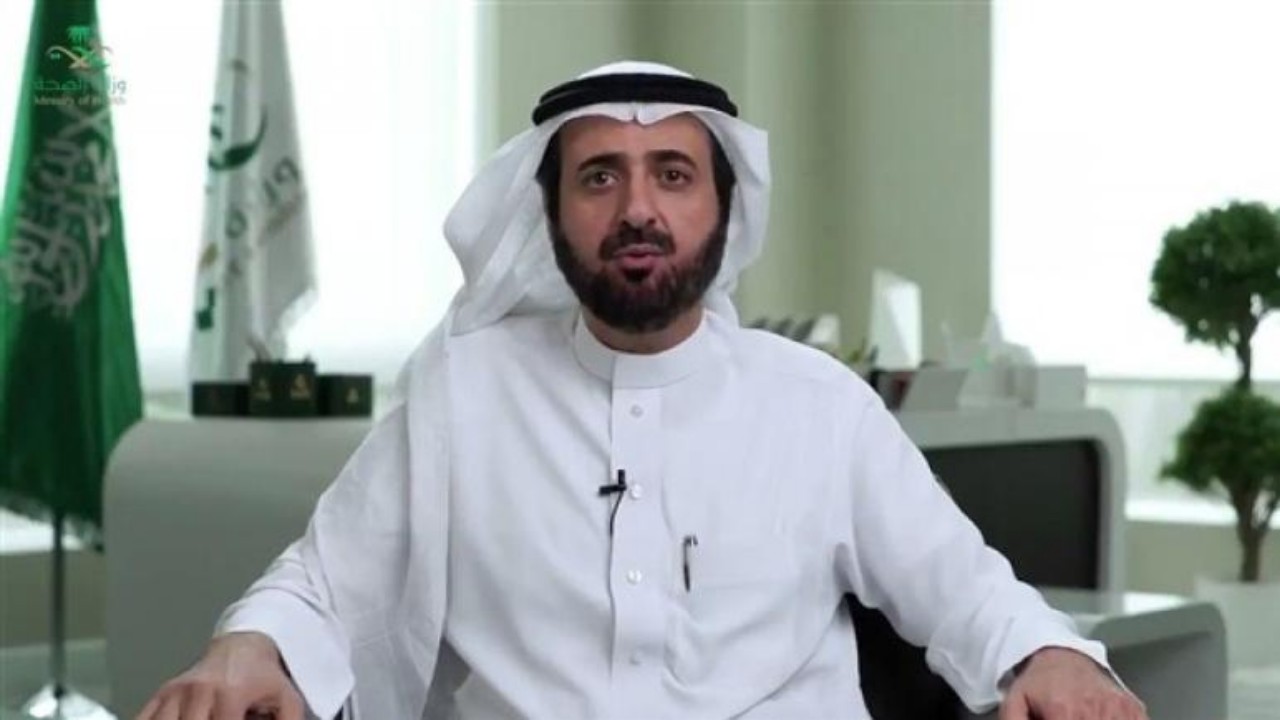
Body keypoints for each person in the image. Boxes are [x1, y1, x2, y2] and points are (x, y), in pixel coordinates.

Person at [139, 61, 1147, 720]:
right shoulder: (463, 392)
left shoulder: (820, 405)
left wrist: (1048, 659)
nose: (636, 209)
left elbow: (966, 589)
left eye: (671, 174)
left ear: (722, 209)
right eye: (599, 177)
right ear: (550, 213)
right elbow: (324, 582)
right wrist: (250, 650)